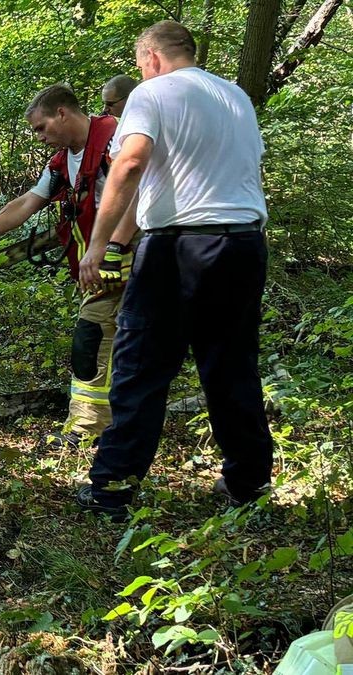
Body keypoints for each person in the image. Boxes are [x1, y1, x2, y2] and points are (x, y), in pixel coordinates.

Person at [76, 21, 274, 518]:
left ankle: (112, 489)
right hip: (244, 244)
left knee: (141, 365)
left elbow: (132, 165)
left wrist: (96, 245)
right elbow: (177, 177)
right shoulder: (234, 97)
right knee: (231, 367)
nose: (142, 72)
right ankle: (248, 486)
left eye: (141, 65)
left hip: (179, 249)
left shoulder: (153, 92)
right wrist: (122, 239)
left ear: (152, 58)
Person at [0, 84, 139, 450]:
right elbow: (29, 201)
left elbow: (141, 193)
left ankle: (86, 430)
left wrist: (114, 249)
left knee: (92, 339)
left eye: (41, 128)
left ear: (63, 114)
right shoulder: (63, 162)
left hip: (126, 258)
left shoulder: (115, 141)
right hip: (100, 261)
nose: (40, 138)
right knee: (124, 343)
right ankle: (122, 424)